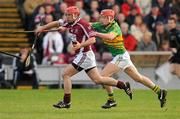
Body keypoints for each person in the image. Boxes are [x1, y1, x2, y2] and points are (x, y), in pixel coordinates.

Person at [36, 6, 132, 109]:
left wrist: (80, 45)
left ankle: (66, 101)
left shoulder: (83, 24)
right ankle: (123, 85)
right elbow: (57, 22)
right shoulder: (69, 22)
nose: (67, 17)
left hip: (84, 54)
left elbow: (93, 40)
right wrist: (42, 28)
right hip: (85, 55)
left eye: (69, 15)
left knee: (65, 74)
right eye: (66, 15)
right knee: (98, 80)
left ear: (75, 15)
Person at [91, 9, 167, 108]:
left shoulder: (115, 27)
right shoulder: (101, 25)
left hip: (121, 57)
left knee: (103, 76)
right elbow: (87, 24)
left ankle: (111, 99)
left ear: (110, 18)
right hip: (122, 56)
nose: (101, 19)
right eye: (101, 17)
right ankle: (159, 91)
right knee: (138, 78)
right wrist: (69, 23)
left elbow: (110, 37)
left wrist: (96, 34)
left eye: (104, 17)